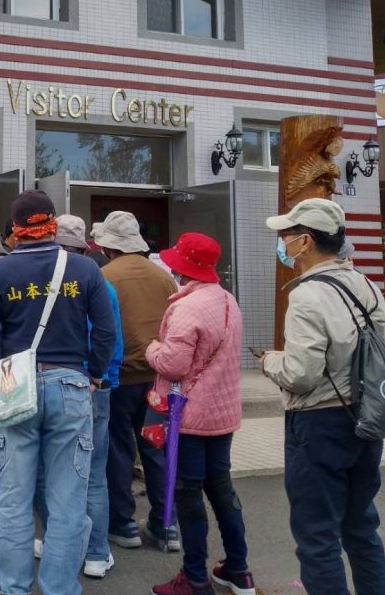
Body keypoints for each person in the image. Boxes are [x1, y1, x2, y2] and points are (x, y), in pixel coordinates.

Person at [0, 191, 116, 595]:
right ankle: (59, 587)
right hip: (70, 385)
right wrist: (93, 374)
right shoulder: (85, 269)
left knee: (13, 498)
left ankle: (12, 588)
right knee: (68, 501)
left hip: (15, 387)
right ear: (53, 224)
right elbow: (105, 330)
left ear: (16, 229)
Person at [261, 198, 385, 595]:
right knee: (361, 527)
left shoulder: (307, 295)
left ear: (305, 241)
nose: (282, 242)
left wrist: (270, 361)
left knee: (317, 536)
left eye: (286, 235)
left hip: (318, 422)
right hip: (366, 416)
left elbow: (301, 375)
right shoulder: (367, 286)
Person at [146, 233, 255, 595]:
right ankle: (238, 568)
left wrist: (151, 349)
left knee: (188, 493)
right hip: (222, 413)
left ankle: (194, 578)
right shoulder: (227, 299)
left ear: (182, 268)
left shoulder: (187, 307)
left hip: (188, 416)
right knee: (221, 488)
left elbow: (173, 364)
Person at [93, 210, 180, 552]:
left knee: (118, 450)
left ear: (107, 246)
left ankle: (123, 523)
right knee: (156, 449)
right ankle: (166, 524)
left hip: (120, 377)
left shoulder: (104, 276)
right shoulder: (164, 277)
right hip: (158, 379)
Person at [51, 215, 125, 580]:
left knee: (54, 472)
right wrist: (100, 376)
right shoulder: (99, 283)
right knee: (93, 473)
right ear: (84, 249)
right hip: (95, 385)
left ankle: (61, 545)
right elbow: (111, 337)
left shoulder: (39, 282)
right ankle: (96, 552)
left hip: (54, 382)